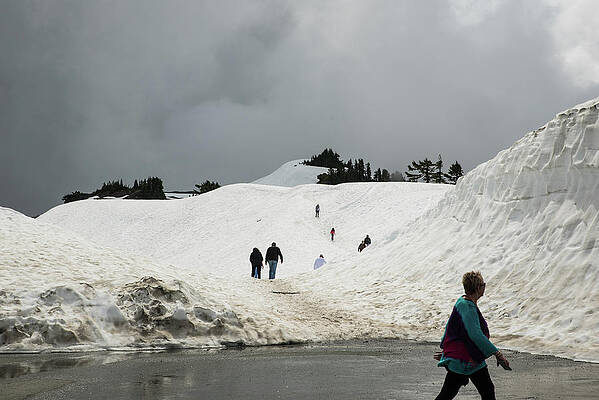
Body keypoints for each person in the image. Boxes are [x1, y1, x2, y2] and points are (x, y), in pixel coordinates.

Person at [433, 271, 510, 400]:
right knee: (449, 395)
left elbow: (451, 328)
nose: (485, 287)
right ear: (478, 288)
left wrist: (449, 351)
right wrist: (498, 354)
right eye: (483, 284)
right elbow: (476, 335)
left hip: (467, 359)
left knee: (486, 391)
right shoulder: (467, 307)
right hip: (465, 361)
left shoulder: (462, 302)